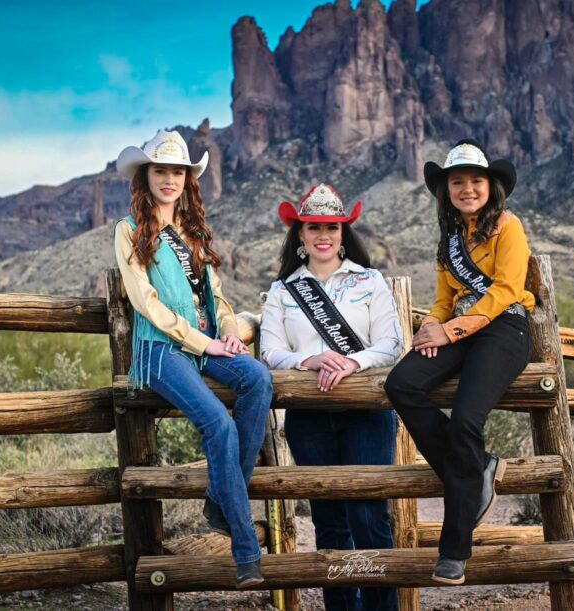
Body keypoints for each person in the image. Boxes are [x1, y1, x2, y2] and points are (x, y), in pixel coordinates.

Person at [113, 129, 272, 588]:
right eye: (160, 170)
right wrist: (205, 344)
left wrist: (226, 332)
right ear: (146, 176)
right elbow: (145, 301)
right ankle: (246, 552)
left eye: (177, 172)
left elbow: (216, 297)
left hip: (205, 343)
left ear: (187, 179)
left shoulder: (194, 231)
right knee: (218, 424)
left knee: (258, 378)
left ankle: (221, 502)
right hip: (160, 349)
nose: (169, 179)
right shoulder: (128, 231)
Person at [384, 140, 534, 585]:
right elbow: (445, 299)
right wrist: (429, 327)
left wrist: (448, 330)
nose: (467, 189)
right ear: (446, 189)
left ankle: (454, 550)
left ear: (491, 186)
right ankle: (477, 468)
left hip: (504, 329)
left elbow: (507, 290)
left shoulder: (509, 227)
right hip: (460, 330)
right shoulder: (449, 240)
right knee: (402, 383)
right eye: (457, 182)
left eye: (475, 180)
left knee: (467, 419)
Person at [259, 184, 402, 610]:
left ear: (343, 233)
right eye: (314, 227)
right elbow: (270, 352)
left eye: (332, 227)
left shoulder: (369, 281)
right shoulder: (283, 291)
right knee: (329, 521)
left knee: (368, 516)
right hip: (310, 417)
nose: (324, 234)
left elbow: (391, 342)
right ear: (300, 235)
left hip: (366, 412)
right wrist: (312, 359)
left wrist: (352, 362)